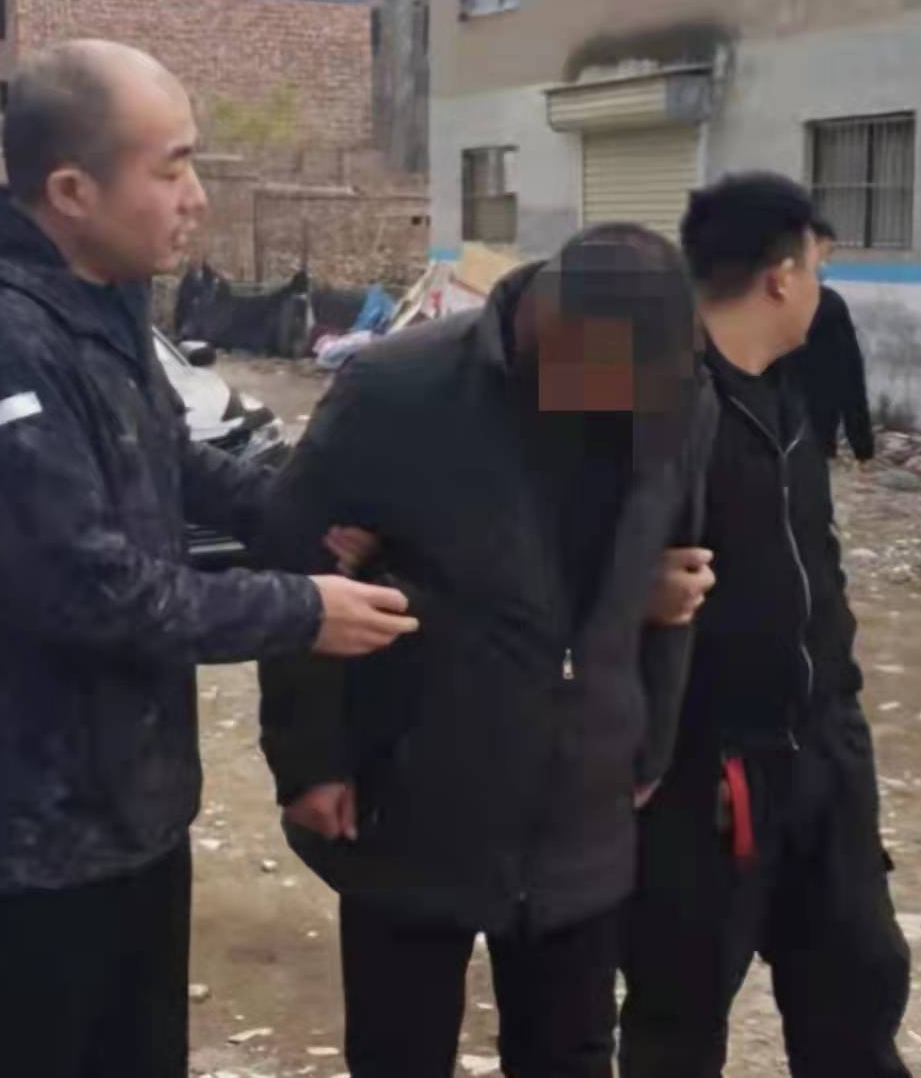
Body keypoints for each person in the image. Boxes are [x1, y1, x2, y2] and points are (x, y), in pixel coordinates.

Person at [0, 40, 417, 1078]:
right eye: (170, 168)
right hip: (20, 847)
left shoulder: (102, 296)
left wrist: (306, 513)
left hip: (130, 815)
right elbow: (83, 589)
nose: (197, 197)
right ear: (72, 191)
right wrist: (303, 608)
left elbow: (162, 454)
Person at [255, 222, 721, 1078]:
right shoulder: (398, 391)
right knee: (400, 1053)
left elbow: (678, 572)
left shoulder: (677, 395)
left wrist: (651, 740)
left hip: (582, 798)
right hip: (415, 793)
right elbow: (297, 567)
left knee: (572, 1054)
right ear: (552, 328)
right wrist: (309, 758)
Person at [620, 172, 912, 1077]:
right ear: (782, 276)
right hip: (706, 778)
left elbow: (814, 554)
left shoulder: (793, 385)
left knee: (858, 984)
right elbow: (534, 539)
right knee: (678, 1011)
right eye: (818, 266)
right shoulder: (645, 397)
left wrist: (843, 718)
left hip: (823, 752)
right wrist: (632, 587)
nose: (825, 289)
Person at [794, 282, 876, 463]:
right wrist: (861, 442)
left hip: (780, 433)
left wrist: (861, 441)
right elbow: (852, 376)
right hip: (813, 432)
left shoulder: (826, 303)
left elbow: (850, 372)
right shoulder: (827, 302)